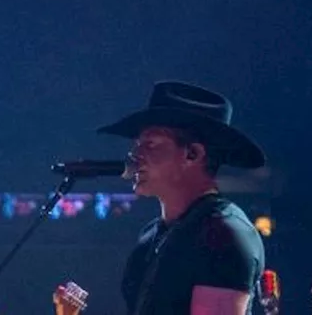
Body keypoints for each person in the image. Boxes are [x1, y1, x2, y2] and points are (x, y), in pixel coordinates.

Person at [77, 80, 267, 315]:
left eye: (150, 144)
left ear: (192, 153)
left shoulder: (224, 234)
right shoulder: (151, 236)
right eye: (136, 145)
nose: (134, 155)